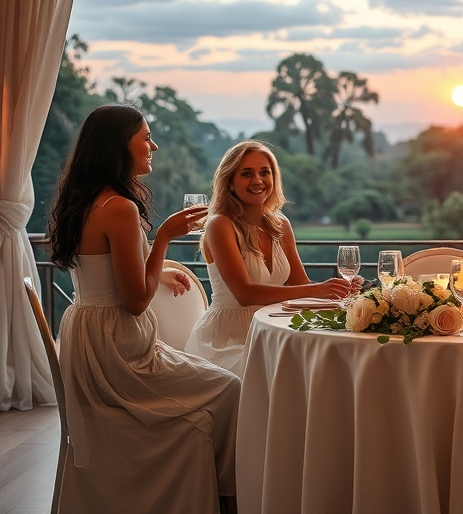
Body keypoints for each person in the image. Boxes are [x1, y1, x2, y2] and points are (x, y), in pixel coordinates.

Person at [47, 104, 239, 513]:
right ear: (120, 146)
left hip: (87, 337)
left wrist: (158, 268)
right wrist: (166, 235)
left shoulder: (85, 200)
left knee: (217, 387)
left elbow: (110, 273)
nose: (154, 145)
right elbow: (135, 302)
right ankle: (232, 499)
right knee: (231, 389)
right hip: (120, 353)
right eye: (146, 137)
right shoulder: (120, 208)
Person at [184, 140, 357, 376]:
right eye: (246, 174)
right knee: (292, 374)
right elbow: (245, 294)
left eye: (265, 172)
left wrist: (338, 290)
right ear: (230, 182)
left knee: (329, 365)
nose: (258, 180)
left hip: (273, 331)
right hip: (228, 339)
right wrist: (319, 290)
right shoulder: (220, 225)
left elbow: (300, 285)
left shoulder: (281, 224)